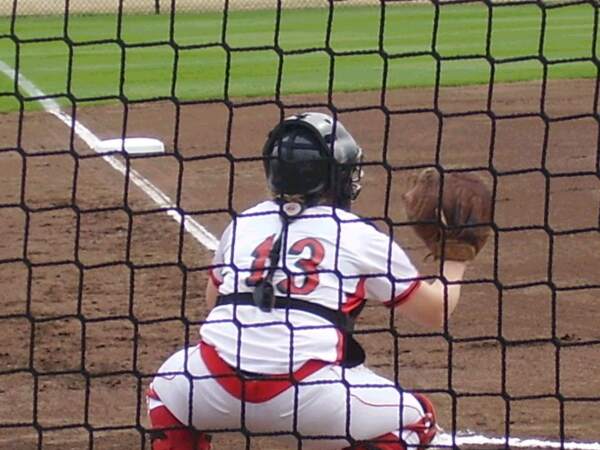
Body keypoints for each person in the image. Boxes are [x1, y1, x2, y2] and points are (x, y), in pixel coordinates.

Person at [146, 112, 468, 450]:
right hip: (309, 403)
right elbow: (435, 311)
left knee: (167, 389)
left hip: (212, 388)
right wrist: (457, 256)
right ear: (336, 176)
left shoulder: (244, 222)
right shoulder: (357, 234)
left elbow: (214, 303)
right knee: (417, 419)